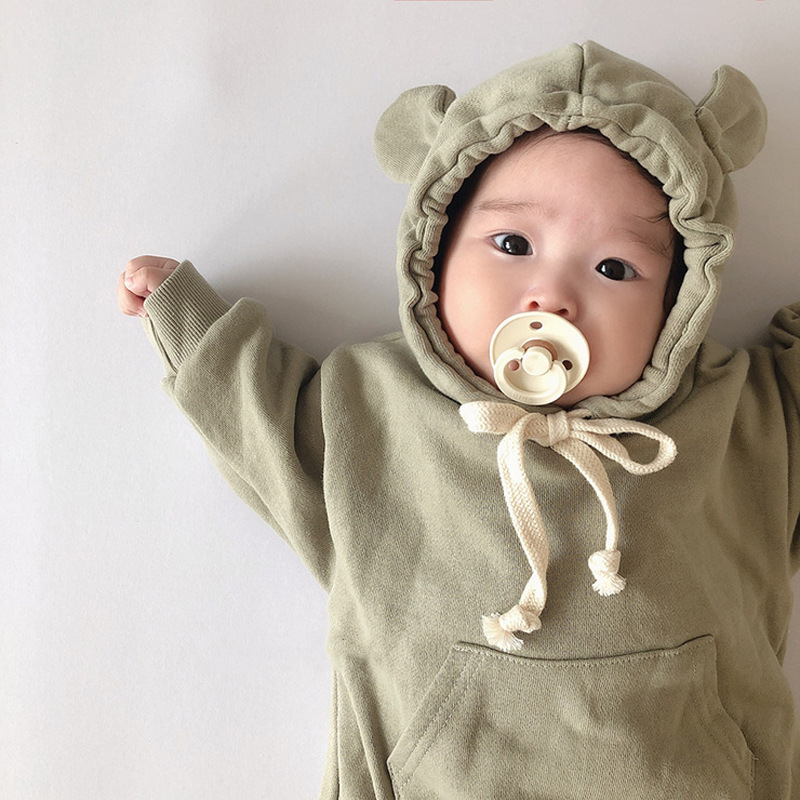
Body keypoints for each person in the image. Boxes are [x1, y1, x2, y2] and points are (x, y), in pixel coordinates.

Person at [117, 41, 799, 799]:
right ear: (434, 255)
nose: (552, 295)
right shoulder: (372, 410)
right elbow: (261, 427)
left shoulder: (744, 418)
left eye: (614, 268)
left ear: (681, 299)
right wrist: (190, 322)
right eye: (512, 244)